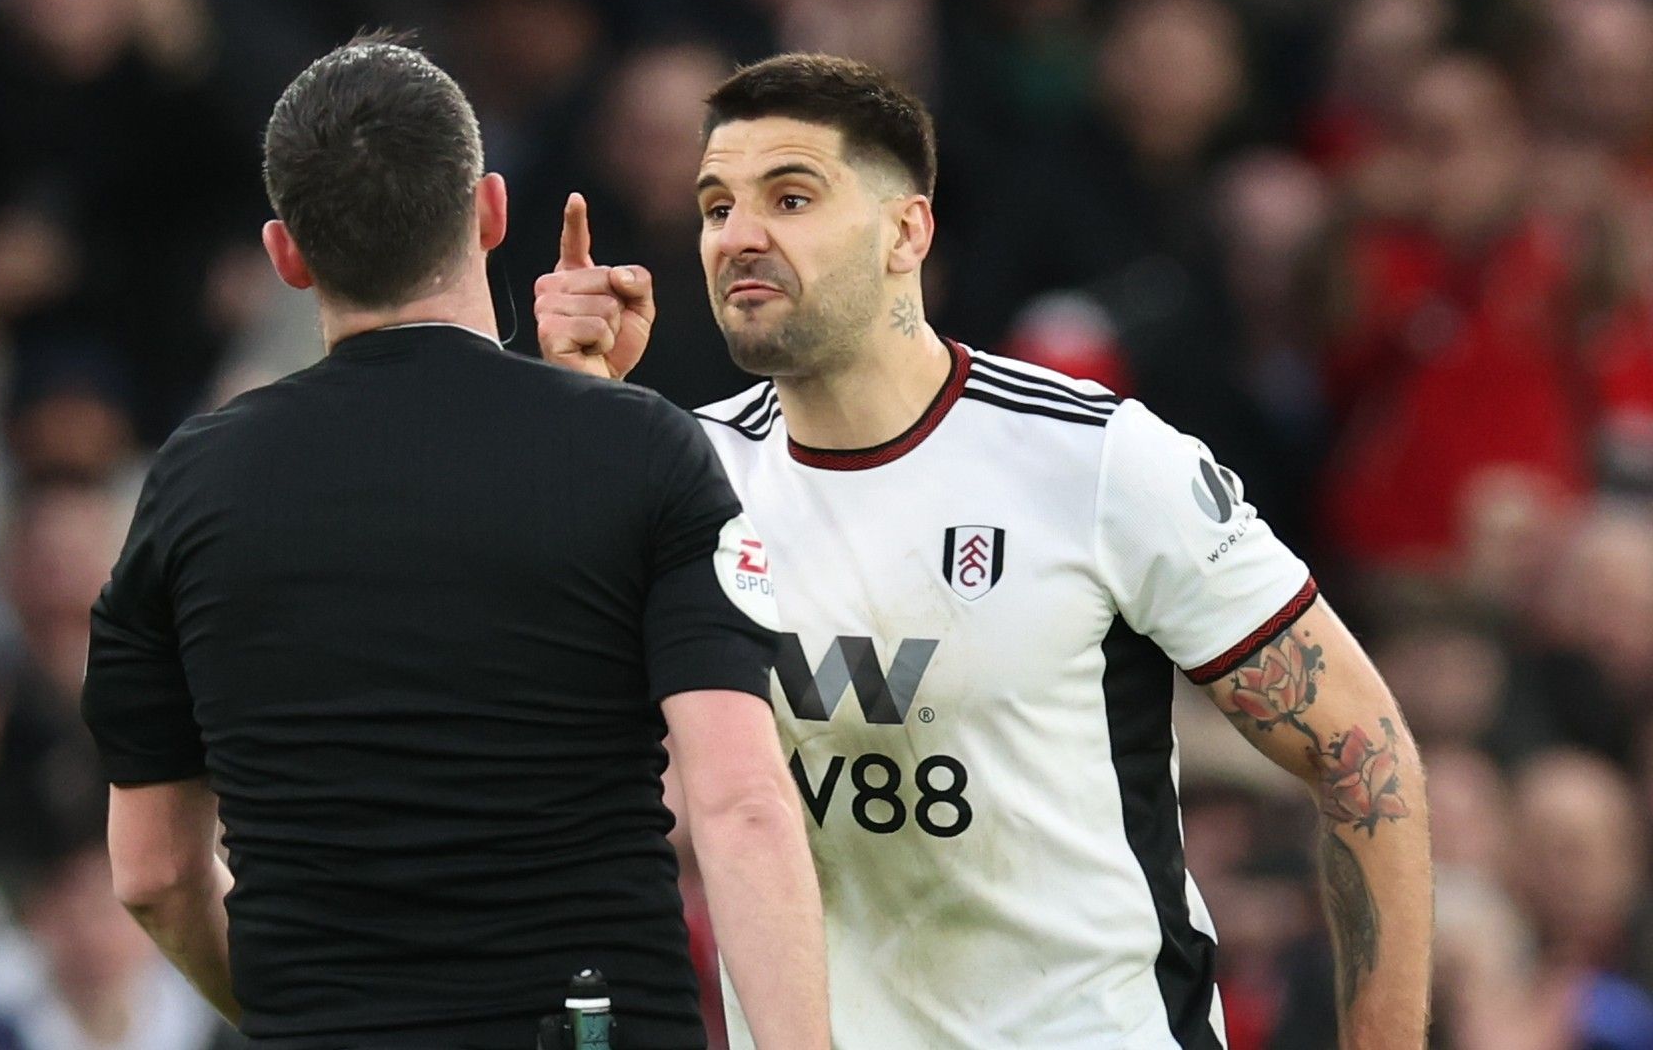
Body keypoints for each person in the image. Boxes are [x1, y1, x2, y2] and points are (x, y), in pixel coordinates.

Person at [536, 52, 1433, 1048]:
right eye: (716, 207)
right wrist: (584, 424)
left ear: (906, 231)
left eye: (790, 198)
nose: (739, 237)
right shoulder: (685, 477)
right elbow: (539, 746)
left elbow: (1362, 755)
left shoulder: (1094, 460)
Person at [81, 34, 828, 1049]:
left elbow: (156, 873)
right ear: (491, 212)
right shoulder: (639, 450)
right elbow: (741, 806)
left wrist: (307, 1018)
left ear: (286, 255)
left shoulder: (193, 485)